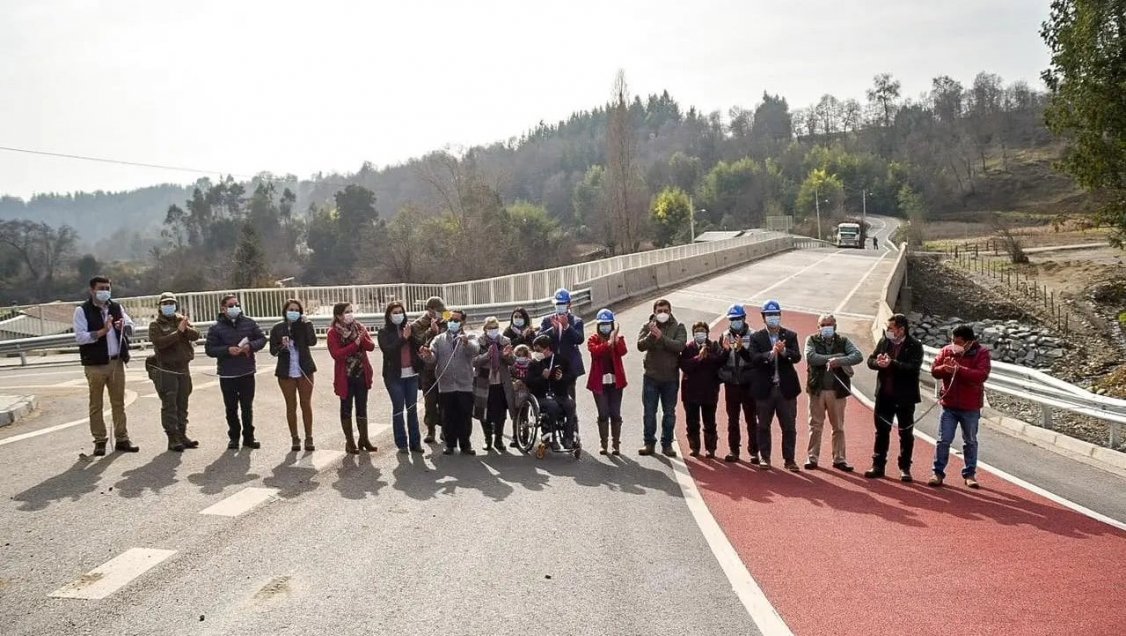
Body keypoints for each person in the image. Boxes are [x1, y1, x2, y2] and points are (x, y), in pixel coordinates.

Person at [74, 276, 138, 455]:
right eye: (101, 288)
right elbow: (80, 337)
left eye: (107, 288)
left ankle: (122, 438)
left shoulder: (116, 307)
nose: (105, 291)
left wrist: (122, 326)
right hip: (95, 363)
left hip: (115, 361)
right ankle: (100, 440)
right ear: (92, 290)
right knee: (96, 403)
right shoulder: (82, 310)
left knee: (118, 402)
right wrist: (102, 331)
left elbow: (132, 327)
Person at [929, 324, 991, 489]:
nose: (954, 344)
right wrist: (945, 369)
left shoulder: (981, 353)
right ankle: (937, 473)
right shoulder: (947, 351)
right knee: (943, 440)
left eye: (958, 342)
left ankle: (970, 474)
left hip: (970, 406)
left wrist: (959, 369)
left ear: (969, 342)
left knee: (970, 441)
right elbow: (934, 370)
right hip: (949, 404)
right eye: (952, 340)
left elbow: (981, 375)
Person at [865, 313, 924, 482]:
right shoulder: (884, 342)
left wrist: (893, 363)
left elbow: (913, 367)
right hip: (884, 395)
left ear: (901, 329)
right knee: (881, 431)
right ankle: (878, 465)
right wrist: (879, 363)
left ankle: (905, 467)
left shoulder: (914, 345)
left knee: (906, 433)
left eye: (891, 328)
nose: (888, 331)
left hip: (905, 397)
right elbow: (870, 360)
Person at [205, 294, 267, 450]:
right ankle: (234, 437)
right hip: (227, 374)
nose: (235, 308)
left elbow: (261, 339)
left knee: (247, 407)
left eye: (236, 305)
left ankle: (249, 437)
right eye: (231, 306)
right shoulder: (216, 328)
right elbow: (210, 349)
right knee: (231, 408)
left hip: (246, 371)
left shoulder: (249, 323)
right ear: (223, 308)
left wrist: (250, 346)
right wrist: (227, 350)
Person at [803, 313, 863, 471]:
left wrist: (840, 361)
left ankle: (839, 458)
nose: (825, 328)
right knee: (815, 425)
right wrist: (835, 357)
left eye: (828, 324)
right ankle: (812, 457)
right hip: (817, 390)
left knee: (838, 427)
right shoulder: (811, 340)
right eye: (822, 325)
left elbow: (858, 356)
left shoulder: (843, 341)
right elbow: (811, 357)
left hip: (837, 391)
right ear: (818, 327)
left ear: (835, 326)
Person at [749, 300, 803, 471]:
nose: (773, 318)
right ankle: (765, 458)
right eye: (769, 315)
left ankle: (790, 460)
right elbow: (754, 359)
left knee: (789, 426)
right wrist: (771, 354)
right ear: (763, 317)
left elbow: (796, 357)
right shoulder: (756, 337)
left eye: (776, 315)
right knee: (763, 425)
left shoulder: (790, 335)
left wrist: (784, 352)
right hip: (765, 390)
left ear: (780, 316)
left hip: (785, 390)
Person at [420, 309, 480, 455]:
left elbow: (475, 350)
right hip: (446, 385)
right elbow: (433, 357)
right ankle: (450, 444)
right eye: (451, 320)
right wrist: (428, 354)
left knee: (464, 415)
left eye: (457, 320)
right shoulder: (439, 339)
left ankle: (465, 444)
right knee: (447, 416)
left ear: (463, 322)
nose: (453, 322)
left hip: (464, 384)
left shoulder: (470, 336)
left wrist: (466, 343)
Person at [145, 292, 199, 452]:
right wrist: (178, 333)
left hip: (183, 368)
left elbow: (195, 336)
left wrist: (185, 328)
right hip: (167, 369)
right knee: (170, 404)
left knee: (183, 402)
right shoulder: (156, 325)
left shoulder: (181, 320)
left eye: (171, 303)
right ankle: (172, 437)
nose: (169, 306)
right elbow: (159, 343)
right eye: (165, 303)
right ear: (160, 306)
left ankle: (182, 434)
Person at [636, 298, 688, 457]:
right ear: (654, 312)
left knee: (669, 412)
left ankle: (667, 444)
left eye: (665, 310)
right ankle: (649, 443)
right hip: (651, 377)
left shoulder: (678, 327)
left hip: (670, 378)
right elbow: (640, 345)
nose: (663, 314)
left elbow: (680, 345)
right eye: (659, 311)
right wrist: (652, 335)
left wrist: (661, 337)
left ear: (670, 311)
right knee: (649, 412)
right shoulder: (647, 326)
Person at [327, 302, 377, 454]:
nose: (349, 314)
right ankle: (350, 442)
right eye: (346, 312)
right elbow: (337, 354)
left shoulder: (359, 327)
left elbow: (371, 346)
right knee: (346, 408)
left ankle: (364, 439)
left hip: (361, 374)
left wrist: (361, 339)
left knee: (362, 407)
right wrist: (354, 345)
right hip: (346, 376)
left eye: (350, 311)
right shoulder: (333, 333)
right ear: (338, 316)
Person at [269, 299, 317, 452]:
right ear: (285, 311)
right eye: (291, 309)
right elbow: (273, 351)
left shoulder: (304, 325)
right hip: (286, 371)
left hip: (304, 369)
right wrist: (282, 346)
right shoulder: (278, 328)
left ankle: (309, 437)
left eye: (297, 310)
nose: (294, 312)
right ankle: (295, 438)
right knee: (291, 405)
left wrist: (307, 324)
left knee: (306, 404)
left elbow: (312, 341)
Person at [378, 301, 424, 454]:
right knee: (398, 409)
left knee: (412, 409)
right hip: (394, 377)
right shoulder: (383, 332)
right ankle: (401, 443)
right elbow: (388, 351)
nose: (398, 315)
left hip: (411, 375)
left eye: (400, 312)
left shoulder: (410, 328)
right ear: (389, 315)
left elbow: (419, 345)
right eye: (395, 312)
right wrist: (403, 338)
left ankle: (415, 443)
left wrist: (410, 336)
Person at [718, 304, 759, 464]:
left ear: (744, 318)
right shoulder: (724, 335)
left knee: (751, 418)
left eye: (738, 318)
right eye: (732, 319)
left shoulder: (753, 335)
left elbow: (754, 359)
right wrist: (726, 351)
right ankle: (733, 450)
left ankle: (754, 451)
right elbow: (720, 361)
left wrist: (741, 349)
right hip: (731, 384)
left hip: (748, 383)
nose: (735, 321)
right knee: (732, 419)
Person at [679, 321, 724, 458]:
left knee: (710, 421)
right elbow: (685, 366)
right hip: (691, 391)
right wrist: (698, 358)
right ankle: (694, 447)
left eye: (702, 331)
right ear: (693, 333)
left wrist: (707, 355)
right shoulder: (688, 348)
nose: (700, 333)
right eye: (697, 331)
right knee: (692, 422)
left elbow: (720, 361)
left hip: (709, 391)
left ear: (707, 333)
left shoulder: (714, 346)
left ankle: (710, 448)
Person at [586, 308, 628, 455]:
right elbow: (595, 351)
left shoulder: (618, 339)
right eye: (602, 324)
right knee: (603, 413)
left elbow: (623, 351)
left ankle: (616, 444)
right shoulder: (593, 340)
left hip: (615, 382)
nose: (605, 326)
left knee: (615, 413)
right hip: (599, 383)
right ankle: (603, 443)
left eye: (607, 324)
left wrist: (615, 340)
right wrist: (607, 343)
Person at [526, 334, 578, 450]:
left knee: (570, 405)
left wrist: (562, 378)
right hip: (541, 396)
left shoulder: (561, 360)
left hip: (559, 394)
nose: (536, 353)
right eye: (534, 350)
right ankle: (552, 438)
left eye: (538, 350)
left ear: (547, 348)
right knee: (552, 406)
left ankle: (568, 438)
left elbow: (572, 376)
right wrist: (542, 378)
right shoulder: (534, 363)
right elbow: (529, 381)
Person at [473, 316, 516, 452]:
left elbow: (512, 361)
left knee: (500, 413)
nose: (493, 330)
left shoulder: (505, 341)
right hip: (484, 381)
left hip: (501, 381)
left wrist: (506, 355)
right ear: (485, 329)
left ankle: (498, 438)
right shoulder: (478, 342)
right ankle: (488, 439)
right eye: (490, 328)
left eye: (495, 328)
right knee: (484, 412)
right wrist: (487, 355)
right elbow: (474, 361)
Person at [538, 288, 585, 402]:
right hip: (551, 364)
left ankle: (571, 417)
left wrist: (567, 327)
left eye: (562, 304)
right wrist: (552, 330)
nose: (560, 306)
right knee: (552, 394)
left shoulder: (576, 321)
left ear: (569, 305)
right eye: (557, 304)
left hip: (569, 365)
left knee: (569, 396)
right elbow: (538, 339)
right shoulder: (547, 321)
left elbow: (579, 339)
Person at [411, 296, 446, 444]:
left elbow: (456, 332)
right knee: (430, 400)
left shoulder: (447, 319)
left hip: (445, 366)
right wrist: (431, 332)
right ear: (430, 311)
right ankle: (431, 429)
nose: (440, 313)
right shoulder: (418, 324)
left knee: (445, 399)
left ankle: (446, 428)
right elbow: (419, 343)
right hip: (428, 368)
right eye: (437, 311)